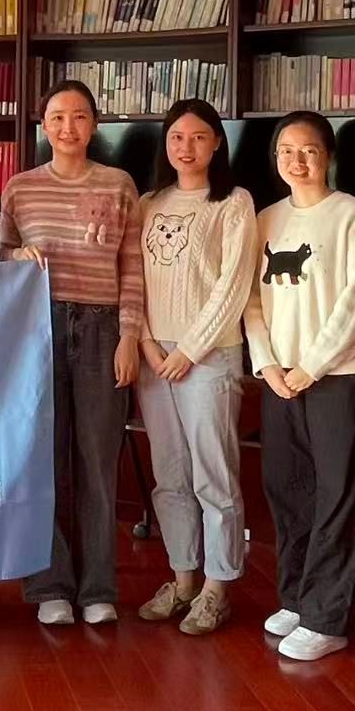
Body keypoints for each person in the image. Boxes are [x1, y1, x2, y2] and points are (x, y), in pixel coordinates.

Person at [0, 80, 142, 626]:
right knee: (44, 461)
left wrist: (129, 335)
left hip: (102, 328)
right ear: (43, 125)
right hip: (38, 328)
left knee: (98, 462)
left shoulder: (119, 184)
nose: (68, 127)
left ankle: (98, 587)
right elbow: (2, 253)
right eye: (57, 117)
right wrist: (17, 256)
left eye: (79, 116)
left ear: (94, 124)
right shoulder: (20, 187)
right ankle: (49, 584)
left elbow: (132, 265)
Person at [243, 110, 355, 662]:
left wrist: (312, 366)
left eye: (308, 151)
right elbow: (251, 301)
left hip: (338, 378)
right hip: (279, 378)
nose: (296, 161)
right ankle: (298, 599)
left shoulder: (352, 215)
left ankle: (329, 618)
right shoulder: (266, 219)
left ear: (328, 156)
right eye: (286, 151)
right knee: (289, 489)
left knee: (339, 496)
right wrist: (268, 365)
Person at [133, 99, 258, 637]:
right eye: (177, 137)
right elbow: (132, 279)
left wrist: (188, 349)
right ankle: (183, 578)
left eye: (199, 137)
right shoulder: (148, 203)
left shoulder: (234, 202)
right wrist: (146, 341)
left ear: (217, 143)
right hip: (153, 356)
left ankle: (217, 588)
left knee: (214, 474)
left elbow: (234, 286)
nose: (187, 147)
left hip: (207, 356)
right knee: (170, 476)